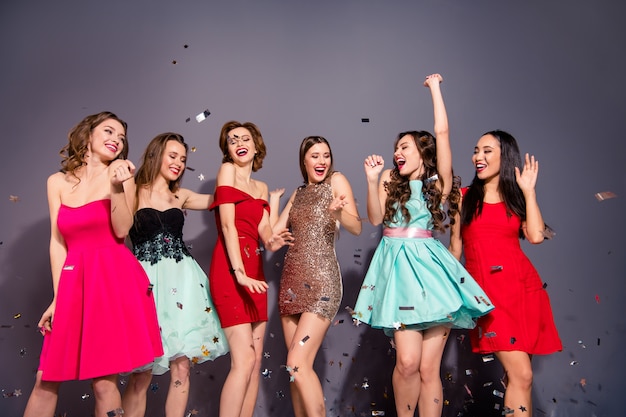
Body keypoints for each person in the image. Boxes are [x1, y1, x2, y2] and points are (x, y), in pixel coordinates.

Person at [352, 74, 493, 417]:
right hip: (399, 275)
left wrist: (435, 89)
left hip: (433, 275)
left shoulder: (437, 184)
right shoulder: (388, 179)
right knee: (408, 363)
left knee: (430, 369)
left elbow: (442, 133)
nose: (397, 153)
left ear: (421, 152)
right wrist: (372, 182)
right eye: (396, 147)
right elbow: (374, 219)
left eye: (405, 147)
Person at [23, 111, 163, 417]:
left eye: (122, 137)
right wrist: (58, 298)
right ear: (88, 135)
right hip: (75, 281)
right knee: (45, 381)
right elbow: (57, 243)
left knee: (103, 383)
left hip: (112, 280)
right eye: (109, 132)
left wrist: (116, 187)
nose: (116, 139)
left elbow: (122, 230)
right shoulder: (57, 182)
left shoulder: (123, 175)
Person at [449, 130, 562, 417]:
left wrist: (529, 191)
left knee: (518, 378)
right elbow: (454, 251)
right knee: (522, 375)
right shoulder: (463, 198)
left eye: (487, 151)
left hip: (523, 290)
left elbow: (536, 236)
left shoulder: (516, 200)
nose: (478, 156)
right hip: (487, 295)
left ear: (504, 155)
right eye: (476, 150)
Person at [121, 133, 229, 417]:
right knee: (142, 372)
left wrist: (235, 166)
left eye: (183, 159)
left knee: (182, 366)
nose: (179, 163)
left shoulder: (181, 195)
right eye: (173, 156)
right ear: (156, 155)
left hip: (184, 284)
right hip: (146, 285)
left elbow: (223, 198)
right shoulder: (132, 189)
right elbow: (115, 229)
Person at [269, 136, 362, 417]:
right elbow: (273, 240)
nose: (321, 161)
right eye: (315, 156)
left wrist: (339, 211)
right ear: (304, 161)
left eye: (326, 155)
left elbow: (356, 227)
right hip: (291, 283)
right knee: (294, 370)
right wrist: (274, 201)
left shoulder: (337, 181)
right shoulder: (298, 194)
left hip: (322, 280)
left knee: (298, 362)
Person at [208, 121, 293, 417]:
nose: (239, 143)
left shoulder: (261, 187)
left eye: (245, 138)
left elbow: (265, 235)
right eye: (233, 140)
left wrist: (274, 239)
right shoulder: (227, 171)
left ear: (257, 147)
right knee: (243, 359)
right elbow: (229, 225)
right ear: (227, 150)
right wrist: (239, 273)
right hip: (231, 269)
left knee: (255, 362)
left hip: (255, 271)